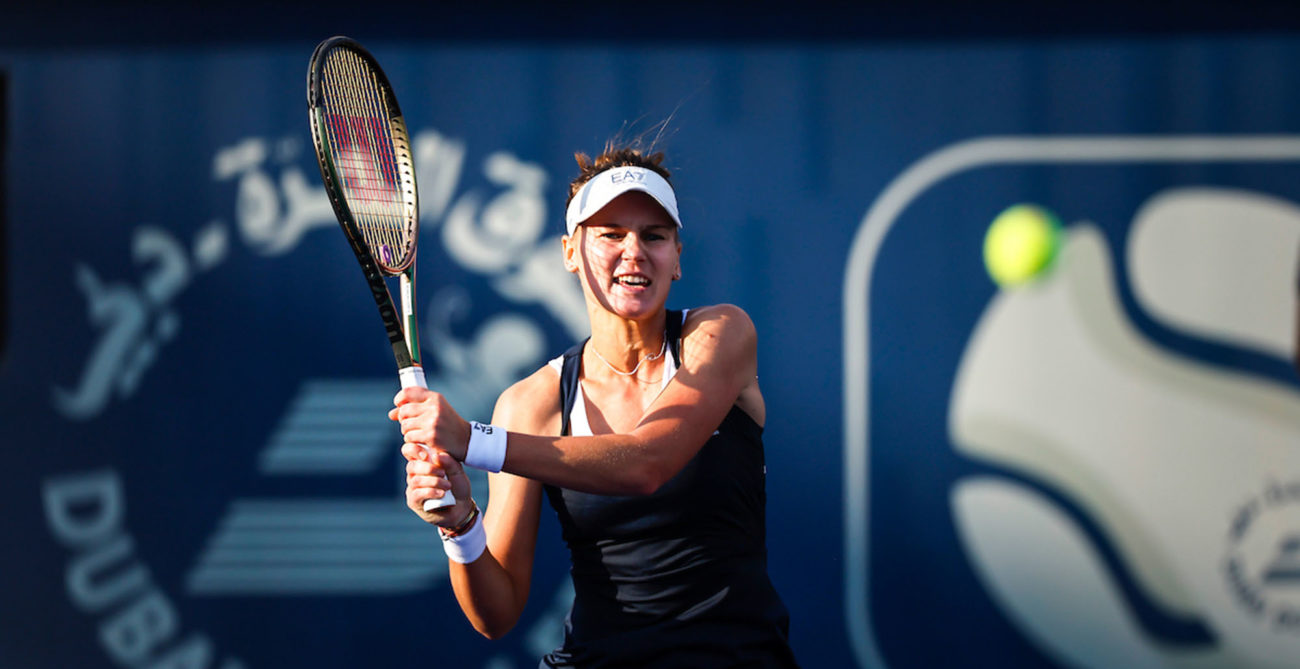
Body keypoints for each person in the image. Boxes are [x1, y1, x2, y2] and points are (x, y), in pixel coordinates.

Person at [389, 141, 800, 667]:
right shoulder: (530, 404)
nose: (634, 251)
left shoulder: (721, 334)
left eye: (654, 236)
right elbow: (496, 615)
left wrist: (472, 441)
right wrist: (460, 524)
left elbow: (646, 465)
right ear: (569, 253)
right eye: (610, 234)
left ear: (676, 258)